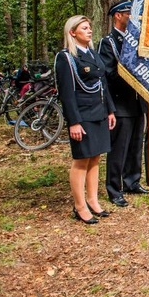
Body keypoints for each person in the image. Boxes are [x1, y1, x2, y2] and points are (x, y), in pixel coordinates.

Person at [55, 15, 116, 225]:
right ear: (72, 32)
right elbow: (67, 93)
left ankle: (93, 200)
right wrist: (74, 121)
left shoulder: (92, 53)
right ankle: (79, 205)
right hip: (82, 115)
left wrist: (110, 110)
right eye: (84, 28)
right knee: (81, 160)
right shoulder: (66, 57)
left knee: (96, 157)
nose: (89, 31)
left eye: (89, 27)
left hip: (99, 112)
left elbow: (103, 83)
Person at [97, 0, 149, 207]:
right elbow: (108, 73)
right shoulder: (108, 43)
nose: (133, 17)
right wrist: (132, 75)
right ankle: (114, 188)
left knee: (136, 144)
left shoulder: (135, 41)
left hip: (137, 102)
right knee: (119, 148)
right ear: (118, 16)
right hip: (120, 102)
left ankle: (132, 180)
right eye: (129, 13)